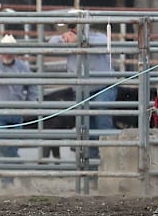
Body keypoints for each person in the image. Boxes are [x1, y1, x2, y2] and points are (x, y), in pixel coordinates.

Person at [49, 23, 117, 159]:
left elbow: (105, 43)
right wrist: (65, 38)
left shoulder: (98, 37)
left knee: (102, 119)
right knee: (86, 126)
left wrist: (81, 39)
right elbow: (52, 43)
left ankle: (108, 160)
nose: (72, 29)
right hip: (82, 88)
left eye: (76, 26)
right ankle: (92, 165)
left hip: (103, 86)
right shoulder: (67, 38)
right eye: (71, 26)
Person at [0, 34, 38, 185]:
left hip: (16, 113)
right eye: (5, 49)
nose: (7, 52)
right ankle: (19, 172)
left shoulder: (23, 67)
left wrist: (29, 105)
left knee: (9, 148)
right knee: (4, 144)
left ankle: (7, 180)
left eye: (10, 49)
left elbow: (33, 87)